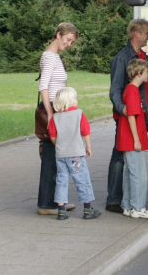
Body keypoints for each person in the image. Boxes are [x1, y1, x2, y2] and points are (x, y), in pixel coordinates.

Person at [105, 19, 148, 213]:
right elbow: (115, 90)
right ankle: (114, 200)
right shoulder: (122, 58)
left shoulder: (142, 55)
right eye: (146, 33)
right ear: (136, 33)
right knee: (120, 155)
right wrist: (124, 109)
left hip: (146, 111)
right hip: (130, 114)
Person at [37, 22, 78, 216]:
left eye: (71, 41)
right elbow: (43, 86)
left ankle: (56, 200)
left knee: (56, 156)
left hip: (56, 108)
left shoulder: (53, 56)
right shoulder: (51, 57)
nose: (69, 44)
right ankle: (47, 204)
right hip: (52, 108)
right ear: (58, 35)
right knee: (52, 157)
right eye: (68, 39)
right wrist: (51, 114)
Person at [49, 87, 101, 221]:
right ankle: (88, 208)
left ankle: (61, 210)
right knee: (82, 180)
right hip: (76, 155)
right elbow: (86, 131)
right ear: (71, 101)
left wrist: (60, 145)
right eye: (75, 98)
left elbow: (53, 136)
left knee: (61, 180)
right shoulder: (79, 114)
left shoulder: (55, 117)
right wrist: (88, 147)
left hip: (61, 155)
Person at [118, 58, 148, 219]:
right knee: (139, 175)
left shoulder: (129, 89)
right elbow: (132, 117)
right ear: (139, 73)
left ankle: (127, 206)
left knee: (129, 173)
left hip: (127, 139)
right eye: (147, 71)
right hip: (132, 140)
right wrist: (137, 140)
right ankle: (138, 207)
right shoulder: (133, 91)